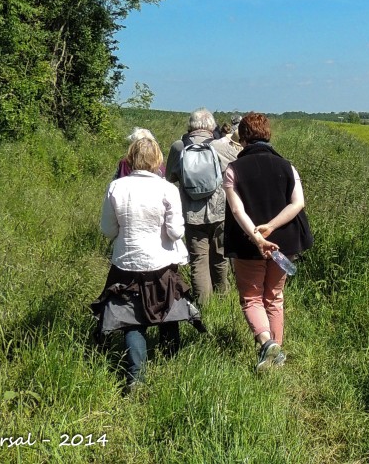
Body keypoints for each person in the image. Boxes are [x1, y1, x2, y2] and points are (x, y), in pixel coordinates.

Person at [92, 137, 203, 390]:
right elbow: (175, 233)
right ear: (158, 161)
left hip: (127, 263)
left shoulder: (116, 187)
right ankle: (170, 360)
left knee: (131, 317)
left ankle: (136, 377)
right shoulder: (168, 190)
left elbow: (108, 230)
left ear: (130, 159)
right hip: (161, 262)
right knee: (169, 307)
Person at [223, 112, 310, 372]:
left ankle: (267, 343)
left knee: (251, 298)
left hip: (247, 244)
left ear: (244, 137)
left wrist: (257, 237)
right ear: (268, 135)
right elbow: (298, 203)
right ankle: (277, 357)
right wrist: (272, 227)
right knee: (274, 297)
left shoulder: (233, 169)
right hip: (284, 244)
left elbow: (237, 210)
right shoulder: (287, 166)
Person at [165, 109, 240, 305]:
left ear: (190, 125)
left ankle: (204, 306)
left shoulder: (178, 146)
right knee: (220, 257)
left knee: (198, 261)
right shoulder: (220, 146)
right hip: (220, 210)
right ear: (211, 126)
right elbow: (238, 171)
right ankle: (223, 299)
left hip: (191, 213)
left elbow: (170, 177)